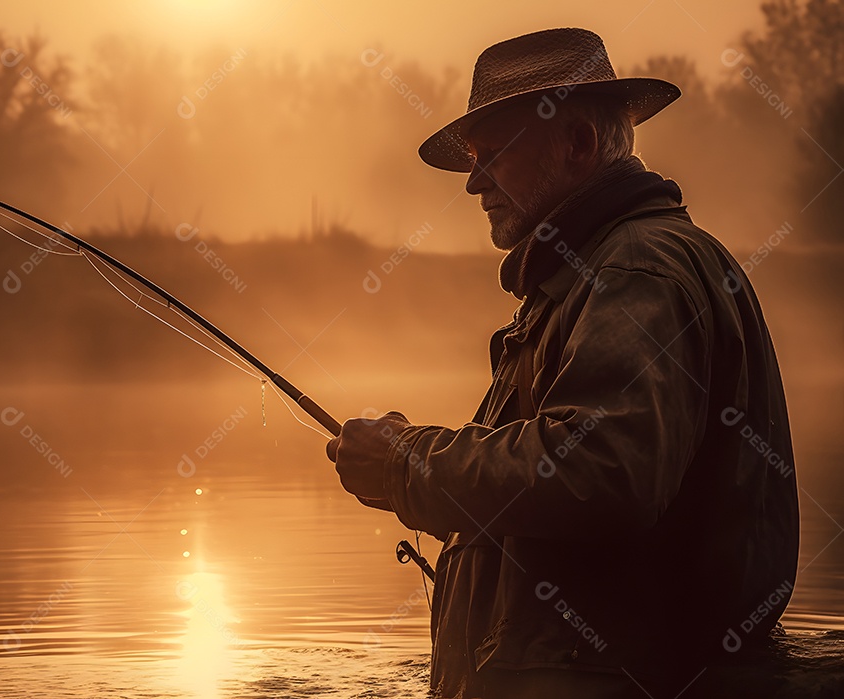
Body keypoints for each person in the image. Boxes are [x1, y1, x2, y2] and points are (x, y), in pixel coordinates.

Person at [326, 28, 799, 698]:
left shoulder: (637, 271)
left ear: (577, 144)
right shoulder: (587, 277)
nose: (474, 183)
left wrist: (408, 460)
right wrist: (407, 471)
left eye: (494, 155)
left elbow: (596, 470)